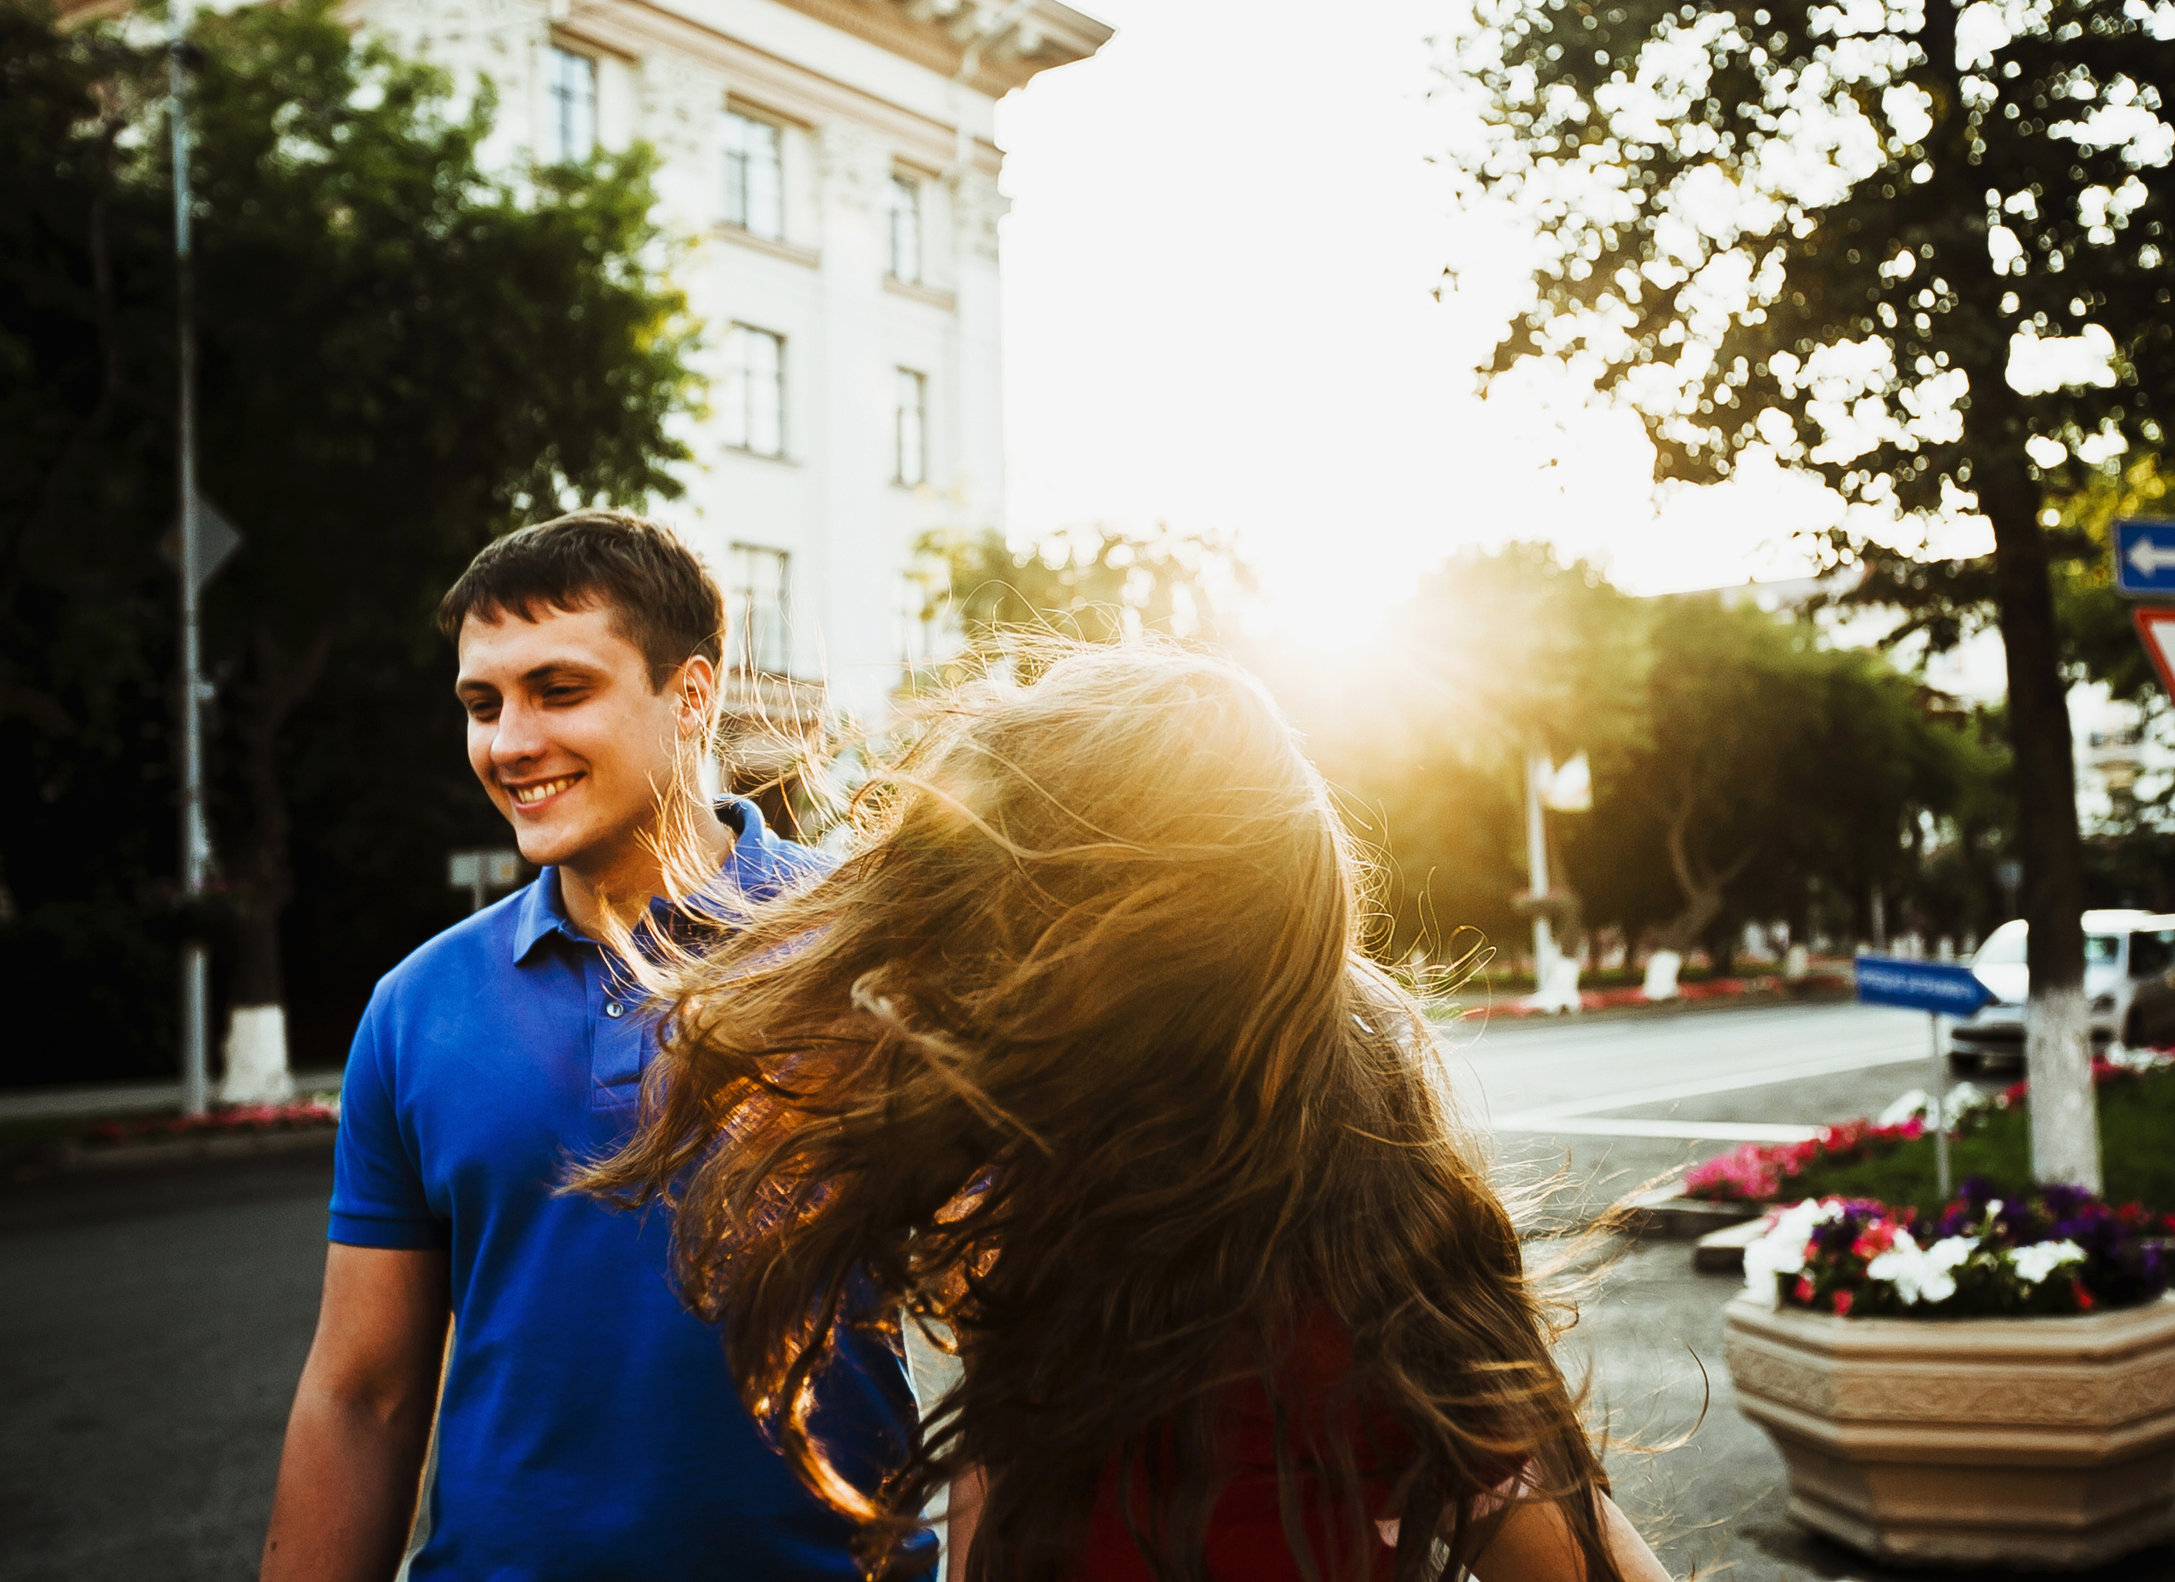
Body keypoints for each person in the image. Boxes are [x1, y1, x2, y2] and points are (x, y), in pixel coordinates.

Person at [583, 645, 1675, 1582]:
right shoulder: (1032, 1166)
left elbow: (1557, 1530)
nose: (979, 972)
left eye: (1017, 923)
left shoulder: (1364, 1234)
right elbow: (1004, 1459)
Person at [260, 511, 926, 1582]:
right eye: (483, 703)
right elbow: (362, 1397)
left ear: (693, 695)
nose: (508, 741)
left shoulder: (873, 946)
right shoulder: (414, 1006)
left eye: (558, 690)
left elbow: (1019, 1354)